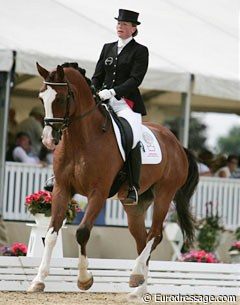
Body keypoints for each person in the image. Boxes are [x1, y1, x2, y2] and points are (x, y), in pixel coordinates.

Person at [91, 9, 149, 205]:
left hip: (126, 103)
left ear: (133, 29)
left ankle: (133, 186)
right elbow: (97, 75)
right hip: (103, 99)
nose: (120, 27)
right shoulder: (107, 47)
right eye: (118, 23)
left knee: (133, 136)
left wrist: (113, 92)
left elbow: (135, 79)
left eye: (124, 24)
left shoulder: (140, 51)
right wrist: (94, 91)